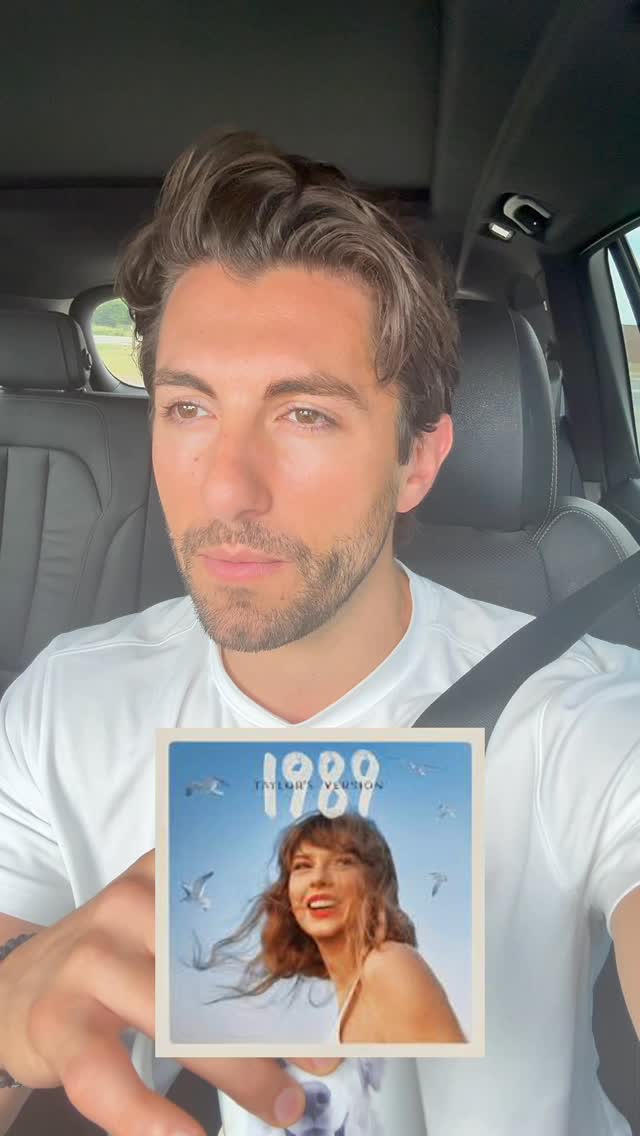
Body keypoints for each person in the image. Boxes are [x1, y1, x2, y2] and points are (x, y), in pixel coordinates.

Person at [0, 128, 638, 1136]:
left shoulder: (580, 712)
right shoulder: (64, 706)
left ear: (417, 460)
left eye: (305, 414)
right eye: (189, 407)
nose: (227, 489)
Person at [190, 811, 465, 1044]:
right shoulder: (357, 988)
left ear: (374, 882)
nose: (318, 879)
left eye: (343, 862)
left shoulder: (389, 963)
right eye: (302, 865)